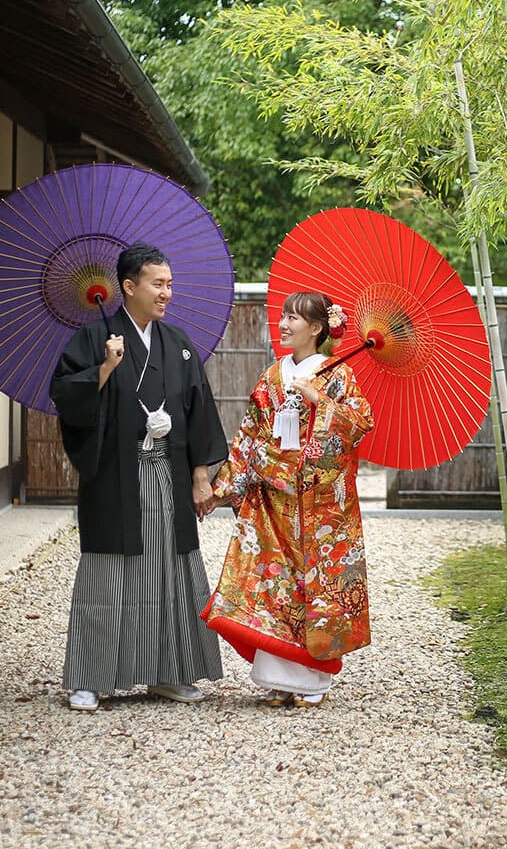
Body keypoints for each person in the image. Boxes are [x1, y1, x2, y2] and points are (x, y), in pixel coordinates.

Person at [50, 243, 227, 711]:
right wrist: (105, 367)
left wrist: (201, 478)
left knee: (168, 570)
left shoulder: (178, 343)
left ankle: (167, 672)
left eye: (169, 284)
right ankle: (90, 676)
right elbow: (66, 397)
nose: (166, 293)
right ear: (129, 287)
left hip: (168, 472)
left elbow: (200, 411)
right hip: (116, 474)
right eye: (157, 284)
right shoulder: (95, 338)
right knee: (107, 574)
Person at [202, 291, 373, 708]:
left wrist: (319, 400)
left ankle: (313, 679)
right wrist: (220, 490)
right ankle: (279, 677)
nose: (283, 323)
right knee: (273, 583)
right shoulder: (271, 376)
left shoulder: (338, 375)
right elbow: (249, 434)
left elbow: (361, 422)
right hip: (272, 503)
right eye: (283, 315)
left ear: (316, 328)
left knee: (313, 588)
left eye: (293, 318)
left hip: (319, 506)